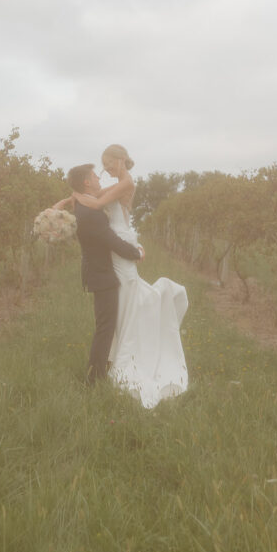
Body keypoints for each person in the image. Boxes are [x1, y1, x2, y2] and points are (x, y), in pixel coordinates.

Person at [68, 144, 189, 409]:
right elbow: (95, 195)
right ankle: (110, 362)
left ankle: (121, 361)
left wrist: (76, 195)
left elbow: (97, 201)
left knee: (122, 306)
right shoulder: (115, 185)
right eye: (102, 168)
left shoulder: (126, 183)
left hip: (121, 250)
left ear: (120, 161)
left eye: (109, 164)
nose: (106, 170)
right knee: (119, 310)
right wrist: (69, 199)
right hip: (116, 252)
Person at [58, 163, 144, 385]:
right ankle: (94, 378)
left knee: (106, 325)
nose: (98, 179)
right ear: (87, 182)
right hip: (101, 274)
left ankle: (100, 370)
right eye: (95, 176)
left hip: (99, 271)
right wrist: (136, 253)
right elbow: (111, 240)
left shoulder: (84, 206)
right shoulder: (90, 213)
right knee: (105, 327)